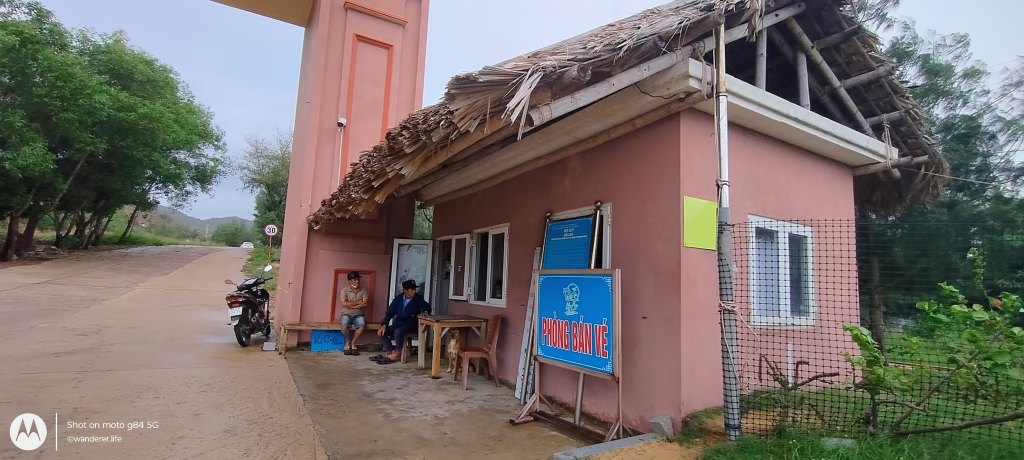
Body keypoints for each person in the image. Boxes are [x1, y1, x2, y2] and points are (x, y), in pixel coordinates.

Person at [373, 279, 430, 364]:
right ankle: (390, 352)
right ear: (405, 290)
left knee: (398, 332)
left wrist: (425, 312)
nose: (414, 291)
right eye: (412, 290)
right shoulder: (398, 298)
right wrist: (384, 324)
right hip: (399, 323)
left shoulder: (418, 298)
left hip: (411, 324)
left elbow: (427, 307)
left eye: (415, 289)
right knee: (382, 332)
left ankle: (398, 353)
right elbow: (389, 312)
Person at [337, 271, 368, 355]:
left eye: (358, 279)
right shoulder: (345, 290)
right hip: (346, 313)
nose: (357, 281)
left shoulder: (363, 290)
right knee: (344, 327)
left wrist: (351, 305)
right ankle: (347, 342)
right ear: (350, 281)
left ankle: (353, 342)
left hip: (359, 314)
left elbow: (365, 303)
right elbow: (344, 304)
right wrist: (358, 302)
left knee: (361, 326)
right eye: (354, 280)